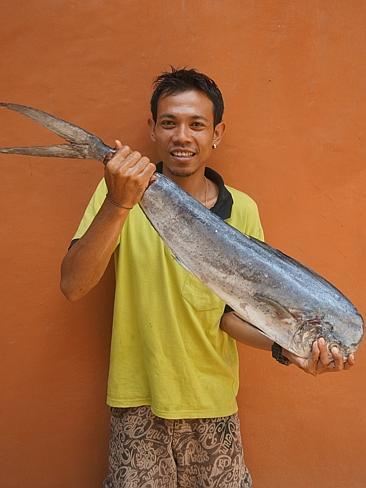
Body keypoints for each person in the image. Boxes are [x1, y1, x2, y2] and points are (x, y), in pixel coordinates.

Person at [60, 68, 355, 488]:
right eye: (169, 123)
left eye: (196, 124)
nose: (183, 136)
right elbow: (74, 286)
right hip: (136, 402)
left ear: (216, 133)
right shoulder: (114, 196)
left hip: (213, 404)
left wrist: (288, 350)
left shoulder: (243, 211)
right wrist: (119, 203)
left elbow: (231, 313)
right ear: (153, 130)